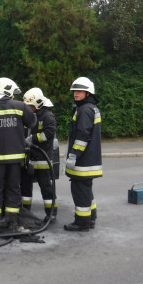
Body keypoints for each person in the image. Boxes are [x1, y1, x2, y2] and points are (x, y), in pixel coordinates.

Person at [0, 77, 36, 235]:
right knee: (13, 189)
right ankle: (11, 222)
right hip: (15, 158)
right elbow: (32, 122)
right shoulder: (20, 107)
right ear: (8, 90)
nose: (14, 97)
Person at [64, 77, 102, 232]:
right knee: (86, 190)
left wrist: (73, 155)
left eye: (80, 91)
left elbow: (82, 135)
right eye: (75, 91)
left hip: (83, 162)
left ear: (88, 93)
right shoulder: (91, 108)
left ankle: (82, 223)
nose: (76, 93)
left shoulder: (84, 110)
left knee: (80, 192)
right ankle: (91, 218)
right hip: (89, 160)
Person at [20, 87, 58, 223]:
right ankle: (25, 213)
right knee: (25, 188)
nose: (28, 109)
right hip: (28, 159)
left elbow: (48, 134)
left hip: (43, 159)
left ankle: (51, 214)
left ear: (38, 103)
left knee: (46, 188)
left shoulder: (48, 116)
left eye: (30, 106)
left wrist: (33, 139)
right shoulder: (27, 116)